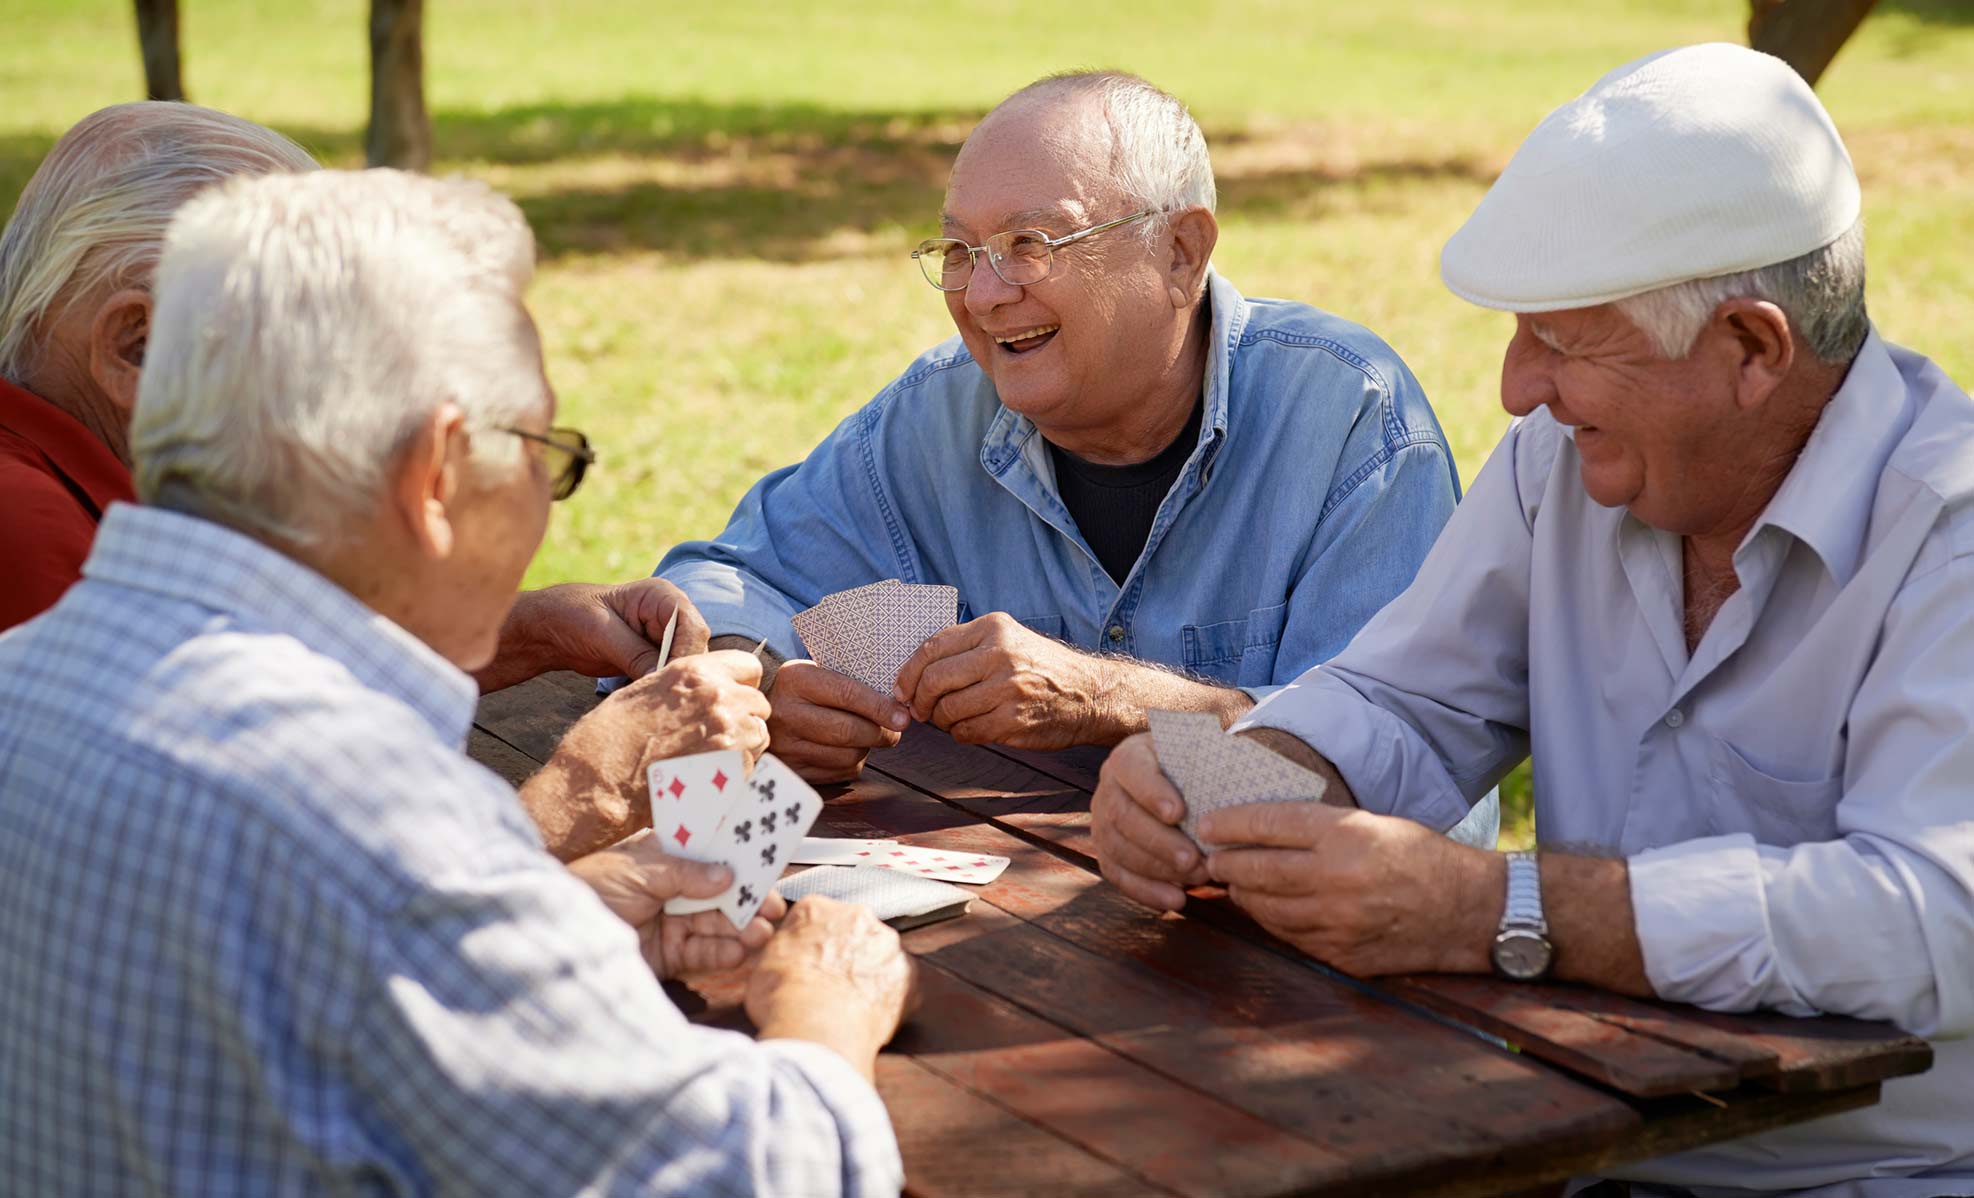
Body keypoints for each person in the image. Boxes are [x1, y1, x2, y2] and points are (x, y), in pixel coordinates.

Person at [1092, 44, 1974, 1194]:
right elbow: (1405, 697)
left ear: (1752, 349)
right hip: (1570, 1135)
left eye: (1561, 342)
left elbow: (1932, 919)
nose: (1515, 387)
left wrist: (1498, 909)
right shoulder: (1560, 465)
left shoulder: (1947, 530)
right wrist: (1221, 778)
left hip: (1880, 1175)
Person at [0, 168, 912, 1196]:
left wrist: (552, 914)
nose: (545, 505)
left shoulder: (25, 675)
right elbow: (755, 1175)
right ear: (437, 474)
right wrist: (827, 1004)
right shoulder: (372, 810)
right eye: (544, 453)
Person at [653, 70, 1495, 847]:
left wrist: (1113, 703)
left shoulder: (1351, 418)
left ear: (1181, 254)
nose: (983, 296)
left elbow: (1404, 790)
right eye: (958, 251)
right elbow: (720, 581)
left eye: (1030, 242)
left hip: (1269, 969)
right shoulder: (938, 415)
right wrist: (762, 682)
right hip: (1003, 942)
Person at [0, 101, 706, 717]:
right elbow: (243, 801)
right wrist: (597, 786)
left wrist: (531, 631)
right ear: (138, 347)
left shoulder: (104, 486)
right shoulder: (30, 529)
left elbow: (273, 679)